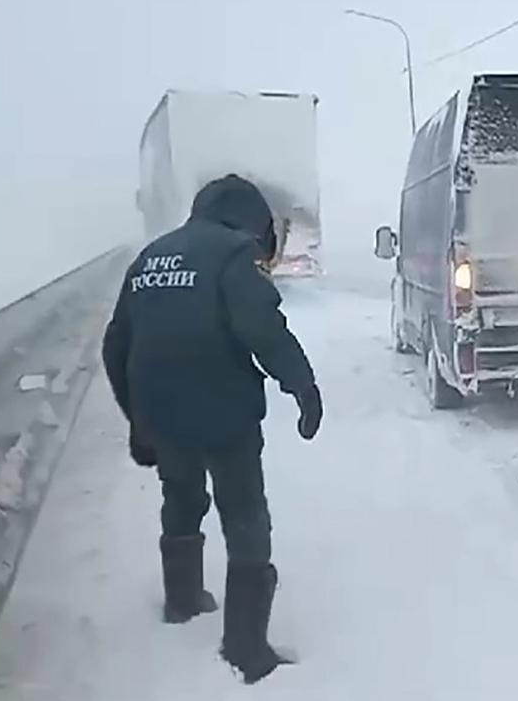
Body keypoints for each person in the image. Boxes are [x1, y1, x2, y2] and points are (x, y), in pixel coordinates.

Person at [101, 173, 323, 684]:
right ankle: (246, 648)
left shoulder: (150, 257)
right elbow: (263, 329)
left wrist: (138, 418)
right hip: (223, 414)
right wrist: (303, 388)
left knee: (181, 498)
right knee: (245, 517)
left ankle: (182, 601)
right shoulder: (232, 255)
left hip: (162, 413)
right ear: (250, 220)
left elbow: (116, 345)